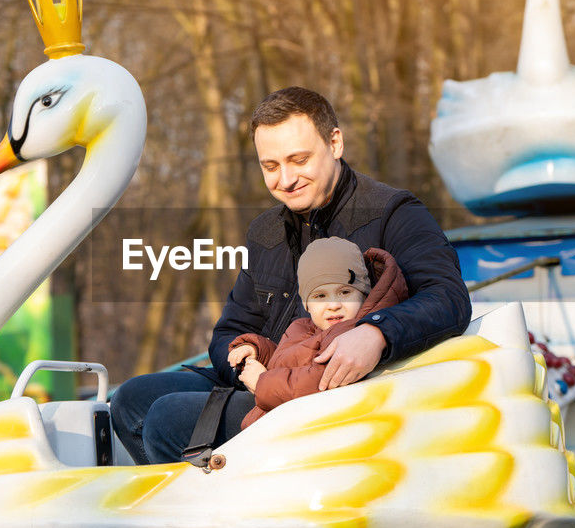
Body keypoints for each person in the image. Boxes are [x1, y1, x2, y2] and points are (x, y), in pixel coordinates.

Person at [110, 86, 472, 464]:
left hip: (325, 396)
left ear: (335, 143)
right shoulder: (264, 233)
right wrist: (243, 358)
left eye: (299, 160)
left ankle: (225, 515)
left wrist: (377, 332)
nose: (285, 179)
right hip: (264, 381)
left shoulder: (394, 212)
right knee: (129, 400)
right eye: (270, 166)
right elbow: (229, 331)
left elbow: (447, 297)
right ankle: (201, 509)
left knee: (167, 420)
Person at [229, 237, 408, 429]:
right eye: (320, 296)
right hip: (272, 421)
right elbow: (289, 360)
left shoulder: (353, 333)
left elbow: (320, 380)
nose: (333, 305)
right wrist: (258, 350)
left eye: (345, 293)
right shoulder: (305, 327)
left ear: (363, 294)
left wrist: (262, 383)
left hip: (303, 430)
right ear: (307, 303)